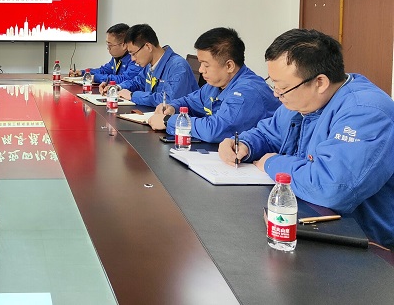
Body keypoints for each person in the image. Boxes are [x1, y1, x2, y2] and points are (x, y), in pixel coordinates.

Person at [218, 29, 394, 247]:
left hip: (364, 245)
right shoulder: (301, 100)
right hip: (307, 220)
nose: (276, 94)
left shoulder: (366, 112)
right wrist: (244, 144)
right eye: (274, 84)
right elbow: (268, 133)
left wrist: (273, 163)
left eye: (282, 87)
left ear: (320, 82)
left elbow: (331, 187)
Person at [147, 28, 280, 142]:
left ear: (229, 66)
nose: (201, 70)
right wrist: (172, 108)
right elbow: (190, 102)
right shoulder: (215, 84)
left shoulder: (247, 92)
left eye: (206, 65)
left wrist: (168, 120)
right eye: (200, 63)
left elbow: (215, 130)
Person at [101, 24, 198, 107]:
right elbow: (137, 82)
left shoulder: (178, 66)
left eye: (133, 53)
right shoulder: (150, 65)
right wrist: (117, 88)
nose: (132, 59)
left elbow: (169, 100)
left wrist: (133, 96)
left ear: (148, 47)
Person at [69, 23, 142, 84]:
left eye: (110, 45)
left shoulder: (135, 59)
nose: (108, 48)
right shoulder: (117, 58)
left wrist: (95, 78)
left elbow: (124, 79)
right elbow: (103, 70)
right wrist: (83, 72)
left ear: (124, 45)